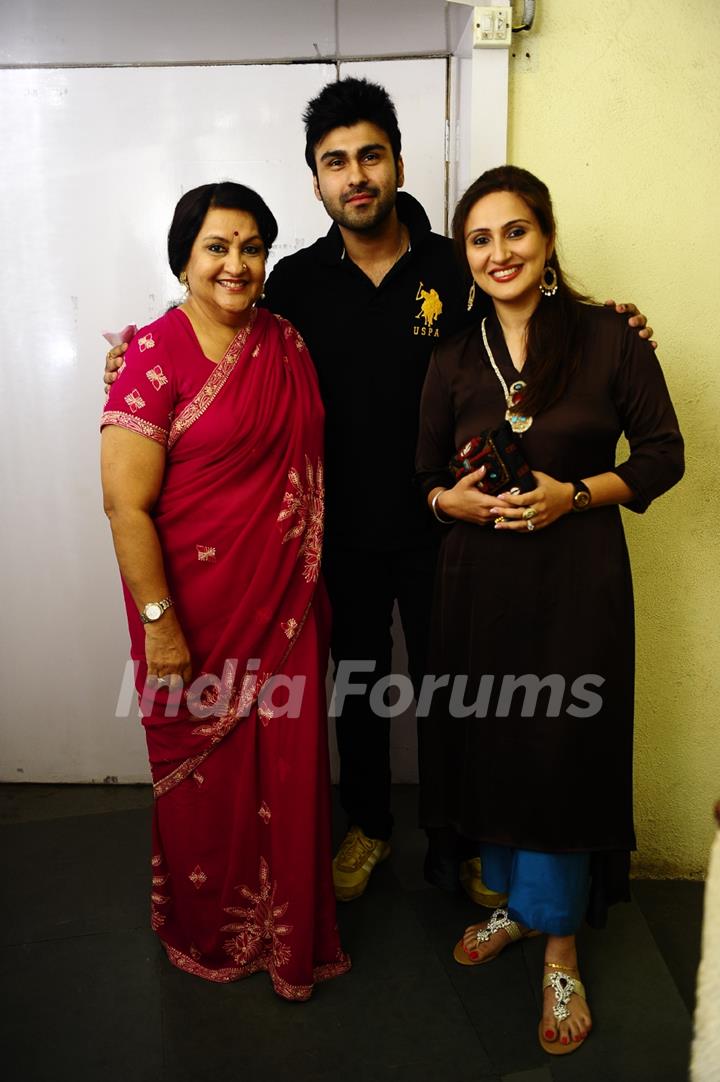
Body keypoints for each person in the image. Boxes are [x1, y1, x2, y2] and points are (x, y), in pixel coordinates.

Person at [103, 78, 655, 906]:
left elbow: (528, 309)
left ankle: (462, 841)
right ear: (315, 181)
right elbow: (217, 323)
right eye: (335, 162)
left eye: (370, 155)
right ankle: (367, 827)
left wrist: (611, 321)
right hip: (331, 536)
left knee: (459, 690)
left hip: (458, 527)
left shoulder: (454, 262)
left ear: (397, 162)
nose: (355, 174)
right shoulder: (290, 280)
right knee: (353, 689)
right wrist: (132, 355)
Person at [416, 165, 684, 1053]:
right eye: (481, 238)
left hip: (578, 587)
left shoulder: (610, 338)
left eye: (516, 231)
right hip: (477, 595)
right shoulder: (453, 355)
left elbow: (662, 454)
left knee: (565, 753)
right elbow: (424, 478)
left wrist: (576, 493)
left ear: (548, 236)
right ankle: (520, 910)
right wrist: (447, 502)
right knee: (494, 746)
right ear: (466, 254)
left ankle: (561, 945)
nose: (501, 252)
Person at [100, 181, 350, 1000]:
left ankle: (289, 940)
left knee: (287, 772)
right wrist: (161, 627)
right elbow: (124, 503)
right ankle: (211, 931)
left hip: (286, 605)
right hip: (189, 613)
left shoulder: (289, 343)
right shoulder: (151, 354)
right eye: (217, 246)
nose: (236, 264)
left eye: (251, 247)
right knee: (205, 791)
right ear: (184, 258)